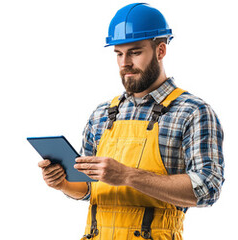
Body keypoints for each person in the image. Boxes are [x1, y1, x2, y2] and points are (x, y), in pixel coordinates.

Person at [38, 3, 225, 239]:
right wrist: (63, 183)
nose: (125, 62)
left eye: (135, 52)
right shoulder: (102, 114)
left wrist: (127, 176)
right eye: (118, 53)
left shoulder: (192, 112)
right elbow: (88, 189)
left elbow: (207, 188)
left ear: (160, 50)